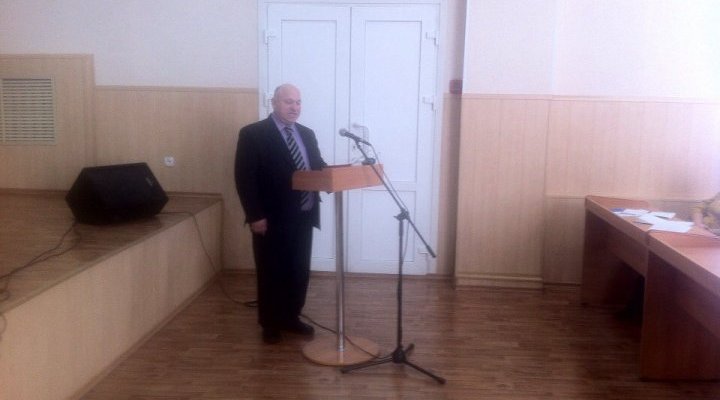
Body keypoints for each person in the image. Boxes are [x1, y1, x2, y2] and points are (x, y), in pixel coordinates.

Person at [234, 84, 327, 344]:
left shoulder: (307, 134)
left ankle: (291, 317)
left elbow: (316, 165)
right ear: (274, 103)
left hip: (304, 214)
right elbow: (244, 178)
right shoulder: (253, 134)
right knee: (271, 271)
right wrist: (255, 215)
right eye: (288, 102)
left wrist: (334, 174)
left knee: (298, 271)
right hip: (271, 219)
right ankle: (270, 323)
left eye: (298, 102)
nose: (294, 107)